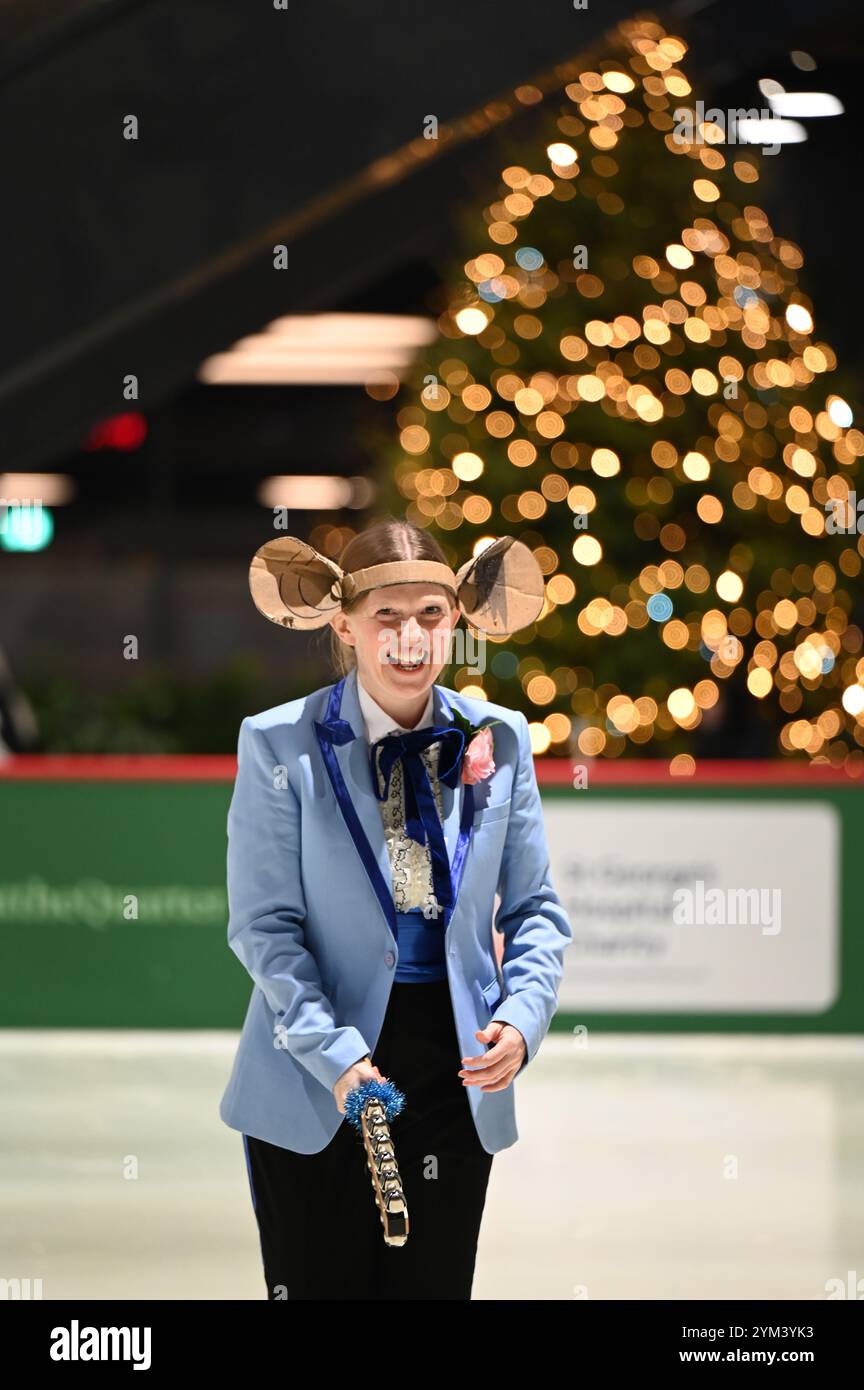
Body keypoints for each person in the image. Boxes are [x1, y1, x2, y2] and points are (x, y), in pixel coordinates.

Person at [219, 518, 572, 1299]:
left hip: (458, 1065)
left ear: (457, 620)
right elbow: (264, 928)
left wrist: (523, 1015)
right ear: (344, 624)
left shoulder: (502, 739)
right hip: (316, 1072)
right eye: (387, 616)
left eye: (430, 614)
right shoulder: (279, 744)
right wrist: (338, 1059)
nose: (409, 636)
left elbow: (539, 909)